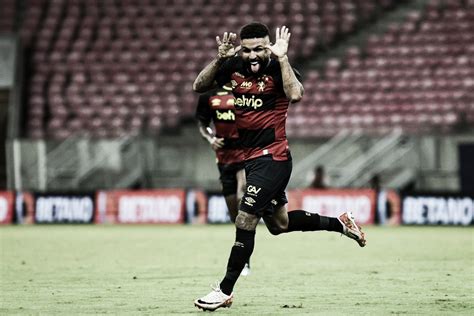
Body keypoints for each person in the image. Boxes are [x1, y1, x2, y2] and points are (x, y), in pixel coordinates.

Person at [192, 22, 366, 311]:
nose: (253, 56)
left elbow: (296, 94)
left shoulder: (278, 67)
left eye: (260, 48)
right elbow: (199, 86)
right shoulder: (233, 66)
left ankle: (224, 291)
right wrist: (220, 58)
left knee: (245, 219)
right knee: (278, 225)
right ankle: (340, 224)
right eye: (247, 50)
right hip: (253, 160)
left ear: (268, 46)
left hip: (273, 159)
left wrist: (283, 58)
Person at [195, 83, 251, 276]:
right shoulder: (209, 95)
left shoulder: (245, 88)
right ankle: (244, 254)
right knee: (235, 215)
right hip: (224, 158)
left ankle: (244, 261)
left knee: (241, 194)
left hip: (245, 153)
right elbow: (202, 123)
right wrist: (210, 138)